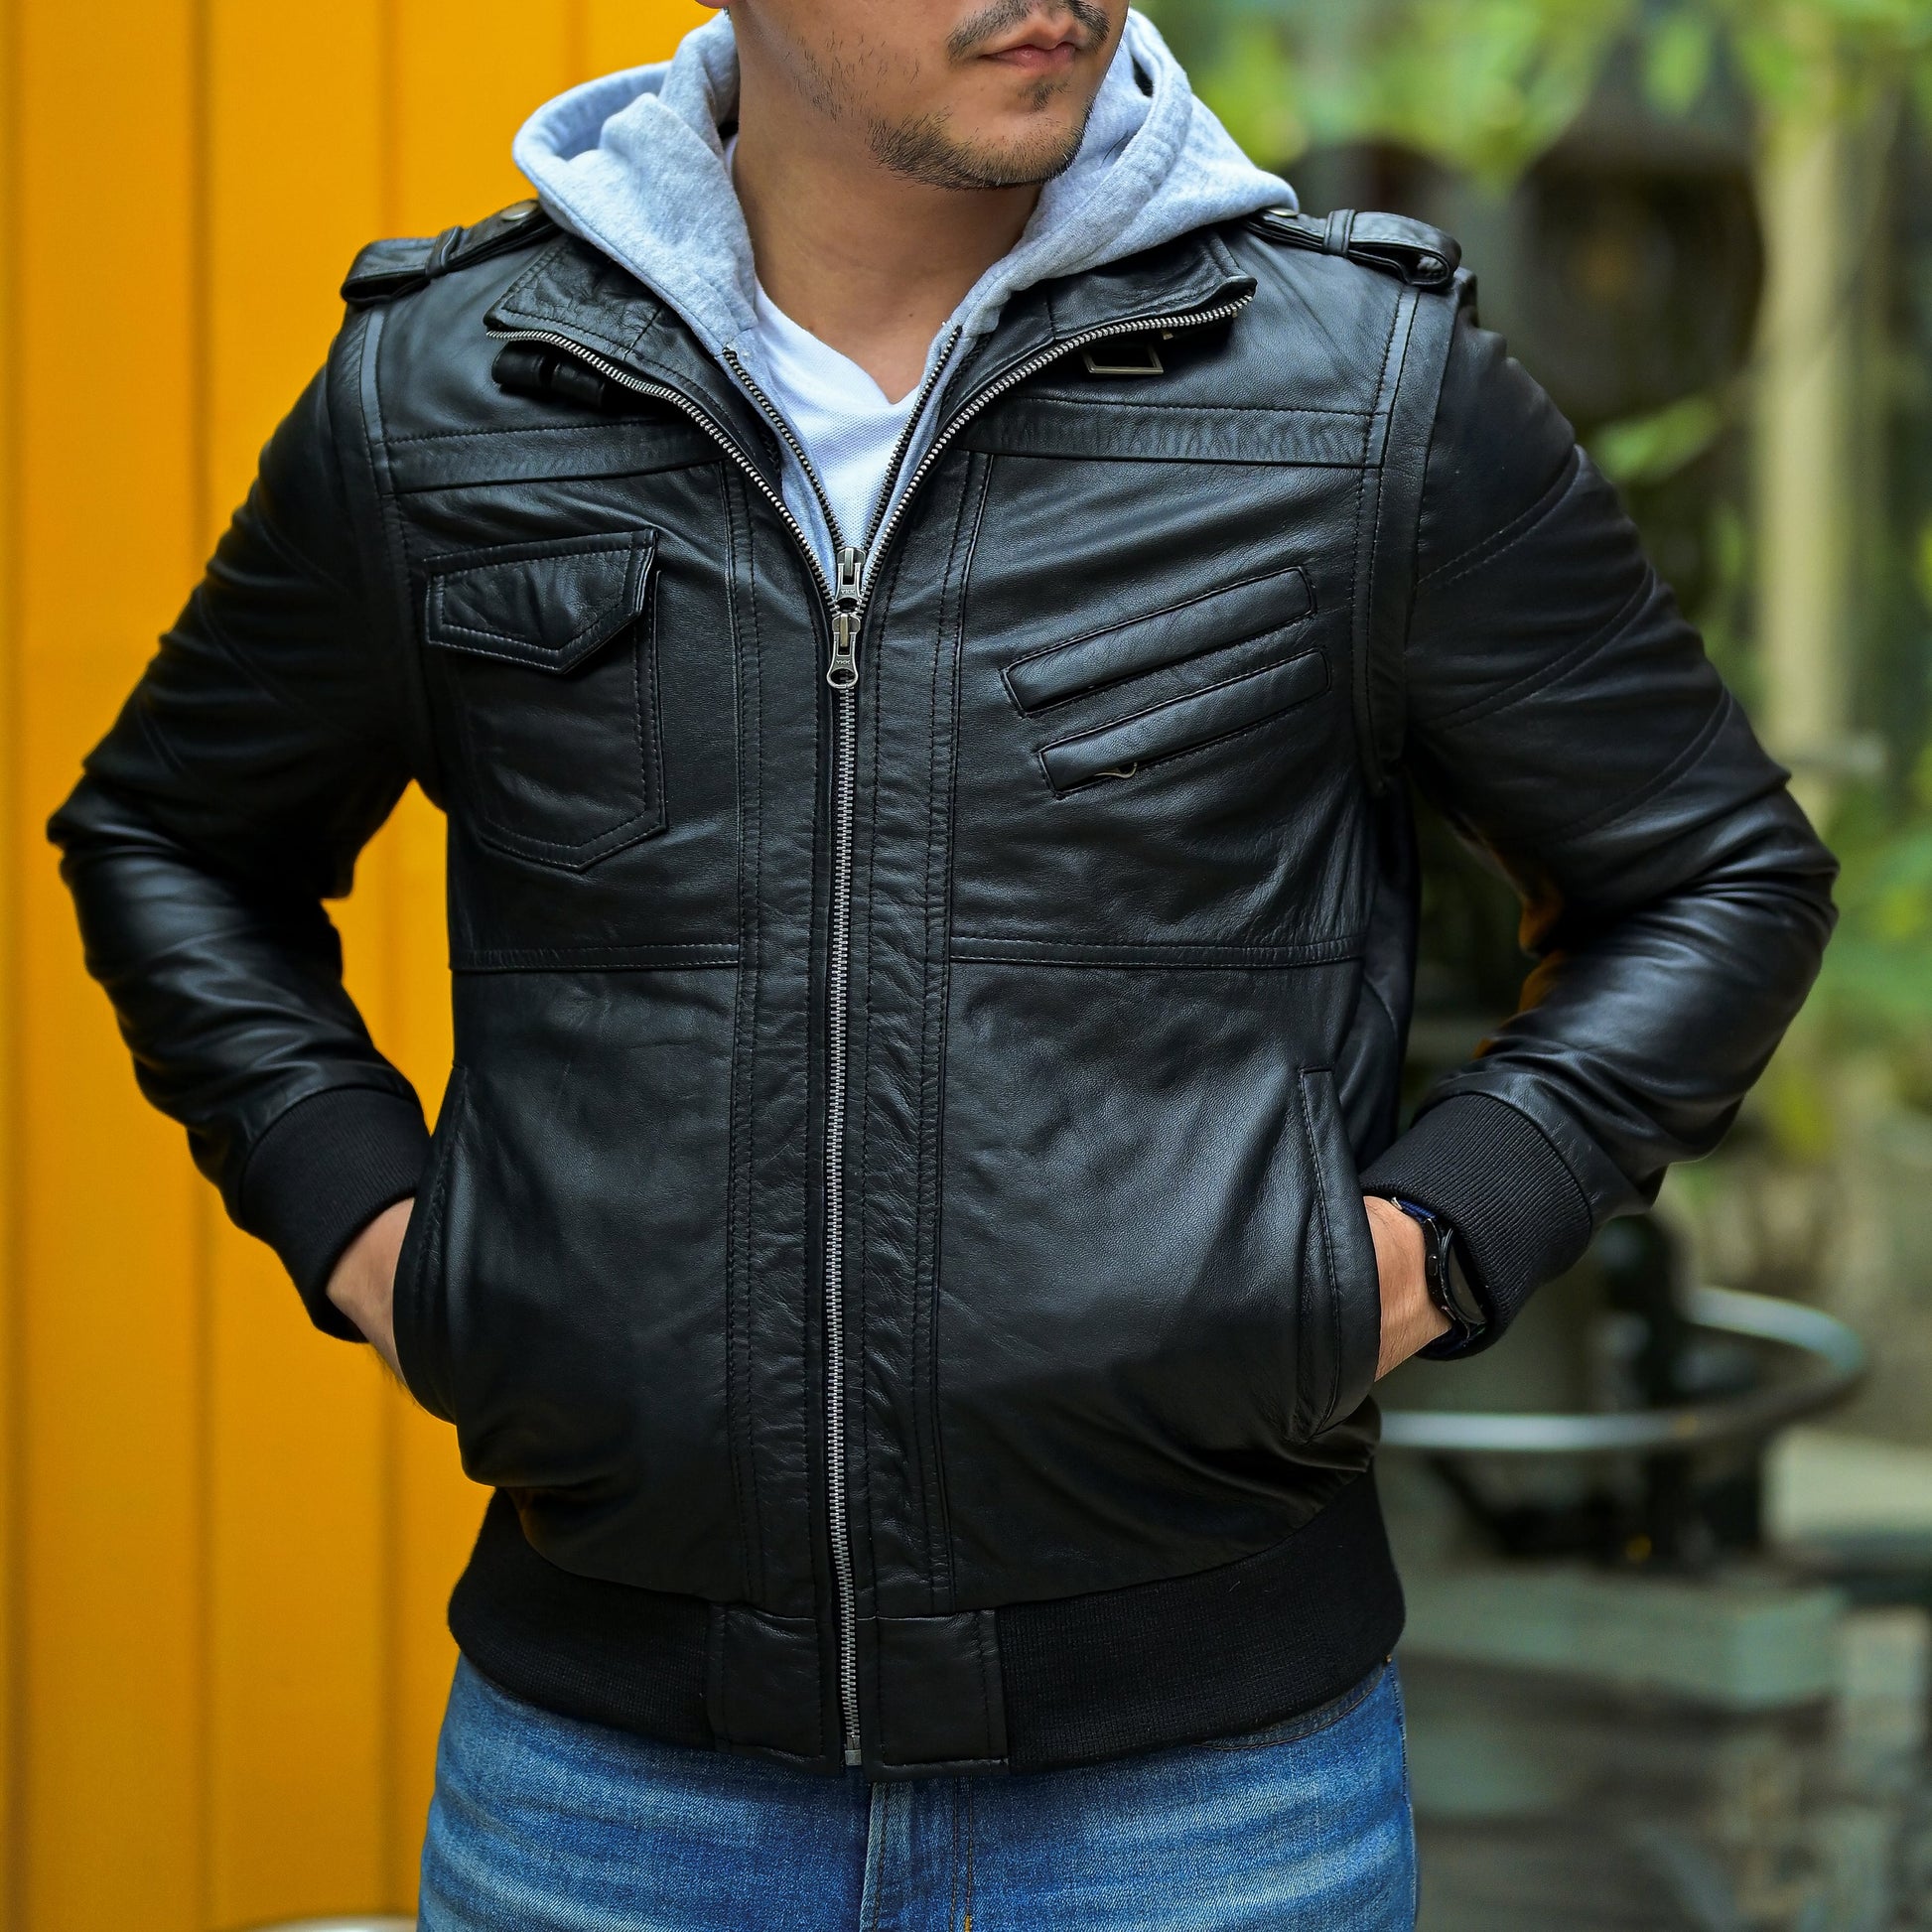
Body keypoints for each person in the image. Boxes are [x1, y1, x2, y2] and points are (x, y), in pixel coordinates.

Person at [49, 2, 1836, 1925]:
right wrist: (384, 1240)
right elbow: (172, 838)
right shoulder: (450, 393)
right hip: (611, 1805)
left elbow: (1714, 872)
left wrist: (1418, 1251)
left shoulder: (1358, 389)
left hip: (1205, 1816)